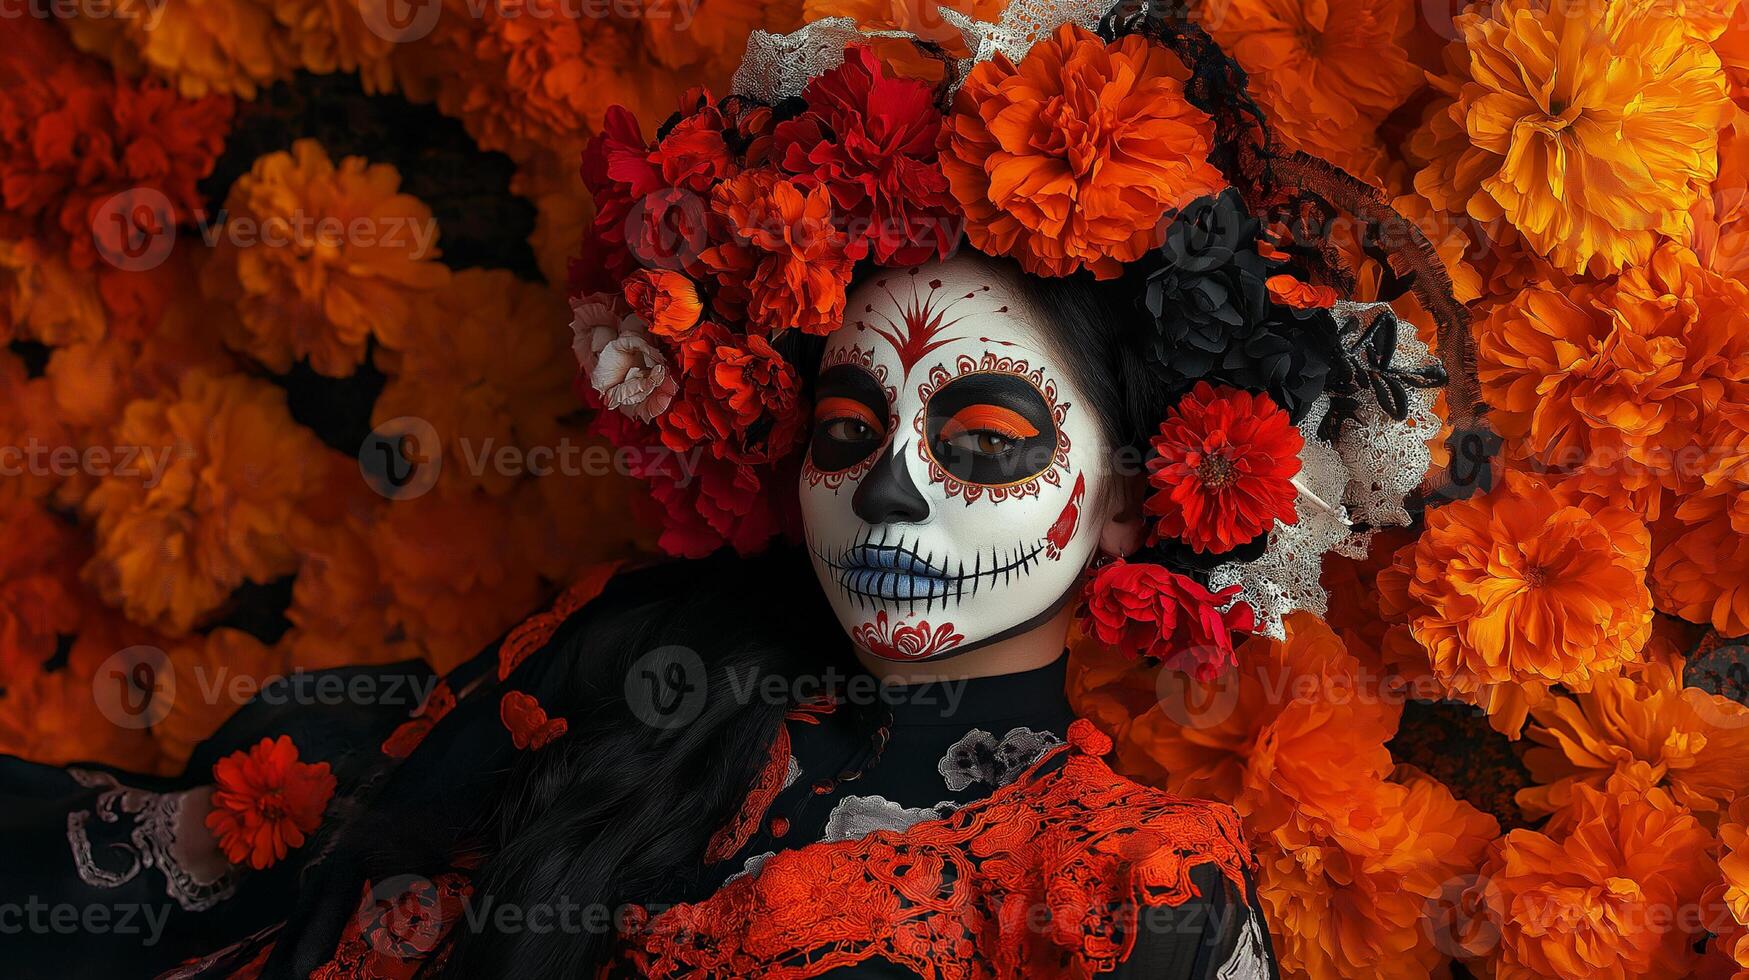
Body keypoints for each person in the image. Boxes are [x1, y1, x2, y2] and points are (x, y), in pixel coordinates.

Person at [5, 1, 1472, 977]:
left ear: (1139, 504)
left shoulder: (1129, 891)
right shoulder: (649, 657)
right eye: (844, 431)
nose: (887, 494)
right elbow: (253, 870)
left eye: (979, 439)